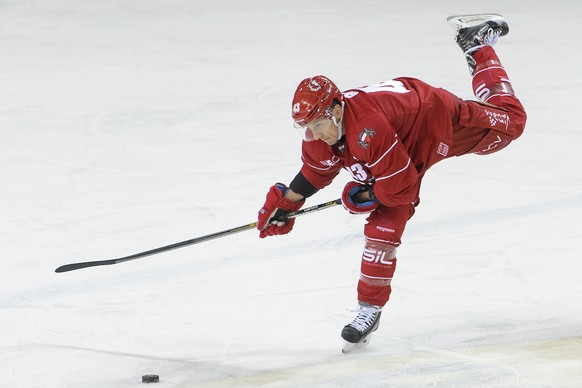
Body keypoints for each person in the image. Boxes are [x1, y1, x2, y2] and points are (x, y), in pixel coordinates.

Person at [256, 14, 526, 351]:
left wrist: (364, 195)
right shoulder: (321, 132)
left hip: (433, 119)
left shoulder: (367, 128)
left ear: (336, 111)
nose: (313, 135)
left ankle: (477, 44)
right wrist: (287, 203)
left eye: (317, 124)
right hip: (394, 144)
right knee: (384, 226)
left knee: (511, 125)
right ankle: (369, 309)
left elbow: (400, 188)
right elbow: (316, 170)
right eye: (306, 128)